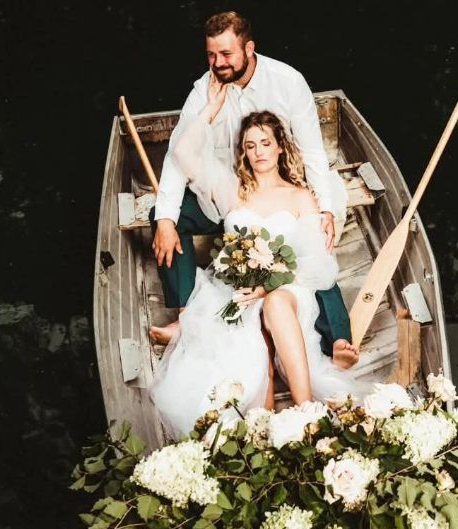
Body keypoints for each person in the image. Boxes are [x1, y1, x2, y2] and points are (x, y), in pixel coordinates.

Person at [149, 75, 366, 438]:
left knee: (275, 304)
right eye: (250, 146)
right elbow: (184, 153)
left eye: (266, 143)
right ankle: (264, 421)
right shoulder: (233, 191)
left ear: (280, 147)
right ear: (243, 153)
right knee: (250, 335)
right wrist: (210, 109)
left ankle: (305, 410)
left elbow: (315, 265)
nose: (259, 151)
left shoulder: (300, 197)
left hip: (289, 291)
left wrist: (267, 286)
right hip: (234, 290)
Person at [149, 10, 359, 369]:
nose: (218, 63)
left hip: (282, 187)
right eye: (211, 55)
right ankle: (187, 316)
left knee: (314, 252)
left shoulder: (287, 82)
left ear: (249, 48)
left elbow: (311, 152)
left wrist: (322, 207)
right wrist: (166, 220)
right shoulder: (205, 89)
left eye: (226, 54)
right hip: (230, 194)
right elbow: (178, 155)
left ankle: (339, 337)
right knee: (166, 216)